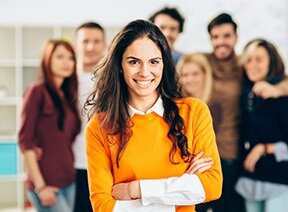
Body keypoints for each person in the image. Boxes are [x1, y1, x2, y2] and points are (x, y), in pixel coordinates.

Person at [84, 19, 222, 212]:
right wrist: (181, 188)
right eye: (134, 62)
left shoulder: (194, 112)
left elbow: (212, 186)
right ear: (120, 65)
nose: (144, 72)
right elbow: (104, 206)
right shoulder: (99, 126)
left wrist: (136, 189)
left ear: (164, 64)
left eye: (154, 62)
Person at [198, 13, 288, 212]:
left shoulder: (245, 68)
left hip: (238, 161)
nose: (221, 41)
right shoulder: (203, 64)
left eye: (226, 35)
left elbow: (280, 78)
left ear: (236, 37)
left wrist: (279, 89)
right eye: (215, 36)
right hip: (207, 159)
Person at [18, 39, 81, 212]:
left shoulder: (67, 96)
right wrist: (41, 187)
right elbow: (25, 140)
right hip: (46, 183)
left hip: (69, 179)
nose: (67, 62)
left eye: (70, 58)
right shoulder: (36, 91)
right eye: (59, 57)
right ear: (47, 60)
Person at [235, 38, 288, 212]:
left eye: (259, 59)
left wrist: (264, 148)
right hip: (250, 180)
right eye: (248, 59)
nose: (252, 65)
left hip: (280, 181)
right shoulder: (246, 96)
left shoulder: (282, 98)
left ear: (271, 62)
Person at [73, 21, 106, 212]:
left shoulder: (113, 82)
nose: (91, 47)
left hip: (104, 165)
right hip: (73, 166)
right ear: (77, 45)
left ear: (105, 45)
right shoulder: (65, 81)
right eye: (85, 41)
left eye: (96, 41)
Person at [177, 52, 222, 133]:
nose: (190, 80)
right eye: (185, 75)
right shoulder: (175, 106)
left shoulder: (214, 107)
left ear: (205, 75)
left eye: (195, 74)